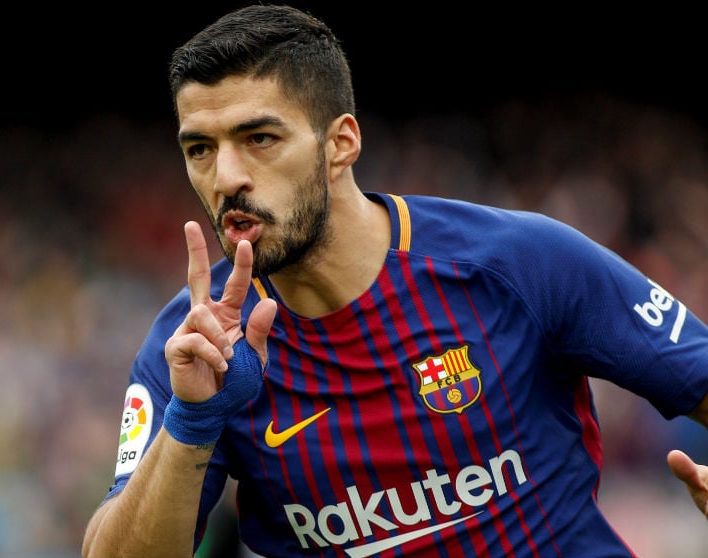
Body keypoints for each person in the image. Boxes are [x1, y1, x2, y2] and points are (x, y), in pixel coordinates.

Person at [81, 4, 708, 557]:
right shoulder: (194, 347)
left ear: (341, 144)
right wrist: (192, 422)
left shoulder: (517, 263)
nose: (226, 177)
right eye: (200, 149)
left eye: (259, 138)